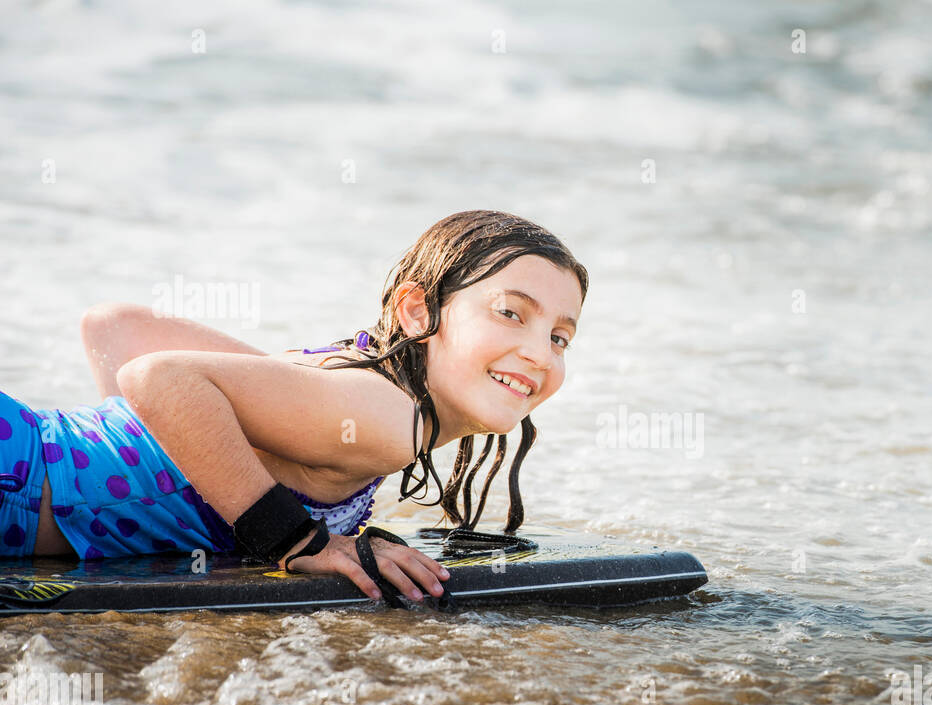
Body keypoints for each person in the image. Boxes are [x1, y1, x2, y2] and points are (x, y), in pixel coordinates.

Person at [0, 210, 589, 604]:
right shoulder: (391, 420)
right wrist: (296, 541)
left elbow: (115, 327)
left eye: (559, 337)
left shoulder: (345, 385)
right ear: (417, 313)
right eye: (511, 312)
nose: (539, 353)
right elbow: (157, 377)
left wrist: (126, 474)